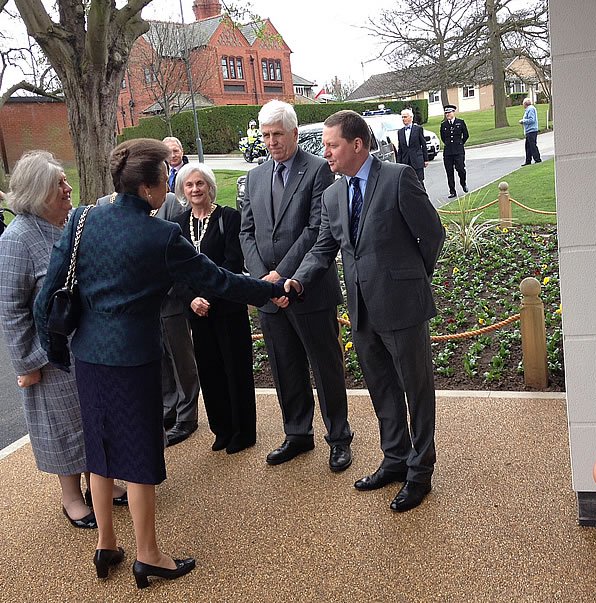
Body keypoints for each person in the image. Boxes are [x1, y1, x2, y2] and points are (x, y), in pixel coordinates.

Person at [34, 139, 289, 587]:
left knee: (101, 451)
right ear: (154, 186)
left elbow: (47, 296)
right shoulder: (162, 235)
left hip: (89, 356)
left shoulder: (82, 218)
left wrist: (56, 353)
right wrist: (271, 289)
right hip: (133, 359)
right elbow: (220, 281)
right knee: (138, 455)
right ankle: (149, 554)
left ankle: (107, 546)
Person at [285, 110, 445, 512]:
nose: (326, 153)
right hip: (362, 309)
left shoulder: (397, 178)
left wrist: (411, 277)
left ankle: (420, 470)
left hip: (403, 306)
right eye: (324, 146)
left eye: (332, 145)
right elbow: (324, 246)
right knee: (382, 388)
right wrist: (299, 279)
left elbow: (432, 234)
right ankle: (395, 458)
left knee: (416, 389)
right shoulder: (332, 195)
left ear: (357, 145)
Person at [0, 151, 126, 530]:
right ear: (38, 192)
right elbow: (10, 310)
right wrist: (29, 364)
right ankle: (71, 497)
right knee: (63, 428)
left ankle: (98, 483)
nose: (68, 187)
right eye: (59, 183)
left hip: (86, 349)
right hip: (48, 358)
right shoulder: (17, 239)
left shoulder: (64, 225)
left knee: (93, 420)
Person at [239, 100, 353, 470]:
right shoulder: (255, 177)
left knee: (326, 368)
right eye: (266, 134)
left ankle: (339, 437)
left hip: (309, 291)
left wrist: (283, 277)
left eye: (277, 134)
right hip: (269, 295)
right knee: (285, 366)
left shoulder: (319, 171)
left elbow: (316, 230)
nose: (271, 141)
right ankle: (297, 434)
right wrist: (264, 279)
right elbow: (247, 232)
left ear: (293, 133)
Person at [97, 191, 200, 447]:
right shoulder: (103, 205)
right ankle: (169, 407)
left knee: (181, 357)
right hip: (141, 303)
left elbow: (178, 249)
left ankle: (187, 416)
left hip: (171, 295)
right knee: (160, 358)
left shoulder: (168, 200)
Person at [172, 163, 258, 454]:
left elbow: (233, 262)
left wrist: (208, 296)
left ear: (210, 186)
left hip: (227, 307)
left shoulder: (228, 218)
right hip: (197, 312)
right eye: (189, 185)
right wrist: (191, 300)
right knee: (209, 371)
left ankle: (243, 432)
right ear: (183, 190)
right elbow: (175, 269)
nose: (195, 189)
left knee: (236, 368)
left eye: (200, 184)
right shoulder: (180, 225)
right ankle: (221, 429)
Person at [439, 104, 469, 198]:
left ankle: (463, 183)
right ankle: (452, 191)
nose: (447, 114)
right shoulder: (443, 125)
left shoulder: (460, 122)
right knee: (449, 172)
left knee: (460, 169)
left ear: (453, 112)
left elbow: (466, 135)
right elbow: (443, 138)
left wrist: (460, 143)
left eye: (449, 112)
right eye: (446, 113)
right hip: (448, 152)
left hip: (458, 150)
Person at [396, 108, 429, 186]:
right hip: (406, 161)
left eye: (405, 117)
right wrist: (398, 163)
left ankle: (423, 198)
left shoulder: (418, 129)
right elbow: (400, 149)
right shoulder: (400, 132)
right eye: (402, 117)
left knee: (419, 182)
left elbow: (423, 144)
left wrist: (426, 159)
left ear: (411, 117)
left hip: (417, 160)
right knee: (408, 183)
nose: (403, 119)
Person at [519, 97, 542, 165]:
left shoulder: (530, 109)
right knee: (528, 146)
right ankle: (528, 161)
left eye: (523, 104)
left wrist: (523, 121)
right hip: (529, 131)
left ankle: (537, 159)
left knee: (532, 146)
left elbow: (532, 120)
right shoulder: (529, 109)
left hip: (531, 130)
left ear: (525, 104)